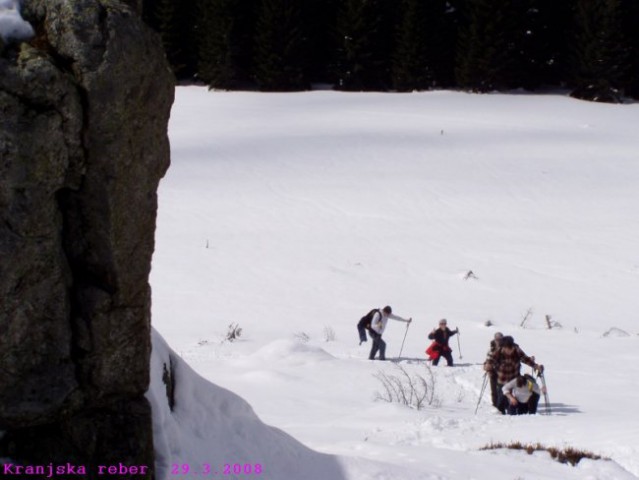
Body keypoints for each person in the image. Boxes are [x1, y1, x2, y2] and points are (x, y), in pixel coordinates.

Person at [484, 335, 543, 414]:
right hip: (502, 380)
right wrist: (487, 366)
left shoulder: (517, 350)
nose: (509, 350)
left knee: (513, 402)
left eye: (510, 348)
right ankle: (501, 417)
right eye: (506, 348)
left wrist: (535, 366)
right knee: (500, 403)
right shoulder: (498, 352)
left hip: (514, 380)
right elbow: (490, 360)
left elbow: (526, 359)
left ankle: (514, 418)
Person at [485, 332, 504, 408]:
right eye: (497, 339)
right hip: (493, 371)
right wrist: (487, 367)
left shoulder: (505, 348)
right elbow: (487, 360)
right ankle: (495, 404)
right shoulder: (491, 349)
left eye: (500, 339)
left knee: (503, 389)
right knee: (494, 389)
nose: (498, 341)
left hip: (503, 372)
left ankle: (502, 404)